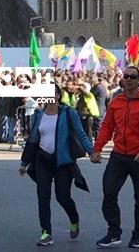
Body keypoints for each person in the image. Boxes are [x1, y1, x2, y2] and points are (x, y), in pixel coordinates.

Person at [91, 66, 139, 249]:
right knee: (109, 192)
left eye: (132, 77)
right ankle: (114, 233)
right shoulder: (116, 101)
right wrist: (97, 149)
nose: (128, 79)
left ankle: (138, 235)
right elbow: (107, 127)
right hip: (119, 154)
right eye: (126, 76)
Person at [19, 85, 94, 247]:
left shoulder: (68, 113)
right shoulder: (38, 115)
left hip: (63, 161)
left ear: (58, 95)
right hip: (42, 160)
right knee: (43, 196)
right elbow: (33, 139)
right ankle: (46, 232)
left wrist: (92, 151)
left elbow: (81, 134)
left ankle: (74, 218)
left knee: (62, 197)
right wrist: (24, 163)